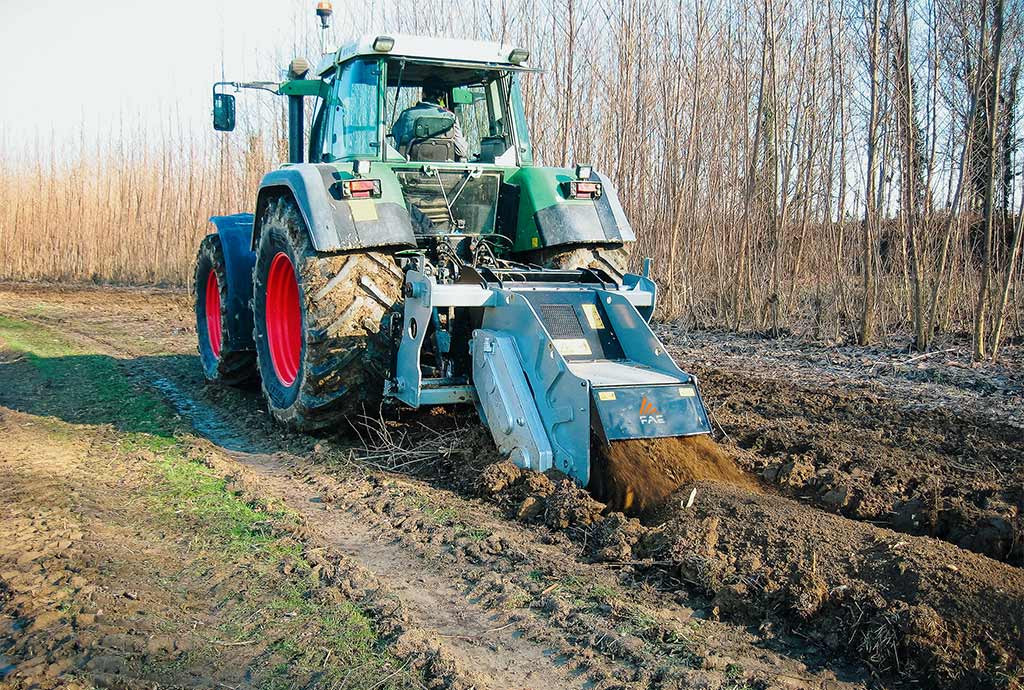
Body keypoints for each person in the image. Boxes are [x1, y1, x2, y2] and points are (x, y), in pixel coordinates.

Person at [391, 81, 469, 162]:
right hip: (444, 171)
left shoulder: (407, 115)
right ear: (441, 97)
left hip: (409, 170)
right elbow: (461, 151)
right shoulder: (451, 117)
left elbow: (397, 138)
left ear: (423, 94)